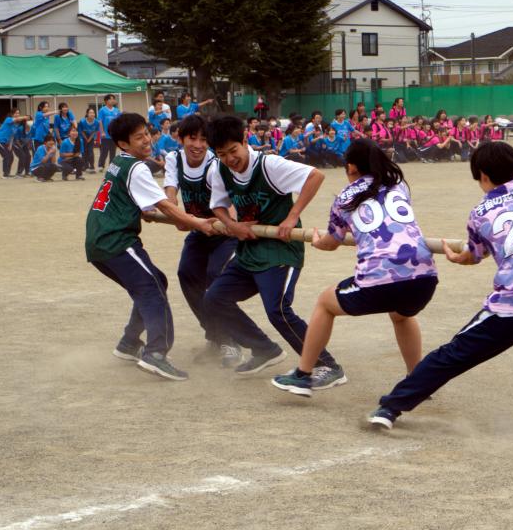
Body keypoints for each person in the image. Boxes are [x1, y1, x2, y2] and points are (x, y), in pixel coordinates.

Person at [368, 141, 513, 430]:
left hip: (511, 307)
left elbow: (474, 256)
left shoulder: (480, 212)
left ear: (484, 176)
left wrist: (456, 257)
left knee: (451, 355)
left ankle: (390, 408)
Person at [272, 140, 439, 397]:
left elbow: (331, 242)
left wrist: (317, 241)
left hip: (379, 279)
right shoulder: (398, 185)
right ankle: (418, 382)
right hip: (424, 277)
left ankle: (303, 375)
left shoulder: (345, 197)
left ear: (351, 167)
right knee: (401, 314)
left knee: (325, 303)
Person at [202, 115, 343, 382]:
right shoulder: (218, 169)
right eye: (222, 154)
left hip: (280, 248)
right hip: (250, 249)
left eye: (233, 151)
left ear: (245, 140)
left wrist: (292, 216)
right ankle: (264, 349)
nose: (230, 159)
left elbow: (315, 176)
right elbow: (217, 206)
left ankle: (328, 366)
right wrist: (232, 225)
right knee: (214, 299)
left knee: (277, 310)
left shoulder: (269, 165)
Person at [86, 112, 217, 380]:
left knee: (155, 281)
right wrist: (198, 223)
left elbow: (144, 203)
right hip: (117, 241)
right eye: (139, 137)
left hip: (100, 243)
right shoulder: (136, 167)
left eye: (147, 133)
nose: (147, 140)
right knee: (153, 291)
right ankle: (156, 353)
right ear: (123, 144)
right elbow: (166, 205)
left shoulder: (120, 162)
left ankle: (129, 343)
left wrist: (149, 210)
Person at [163, 114, 241, 367]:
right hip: (199, 230)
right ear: (181, 138)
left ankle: (230, 339)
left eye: (203, 140)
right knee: (186, 275)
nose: (197, 145)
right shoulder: (174, 158)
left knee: (213, 278)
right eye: (191, 138)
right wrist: (174, 211)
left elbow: (226, 203)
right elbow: (171, 189)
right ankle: (216, 336)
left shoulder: (214, 164)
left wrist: (231, 223)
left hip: (222, 233)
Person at [0, 108, 29, 178]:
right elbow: (16, 119)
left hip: (5, 143)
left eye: (18, 113)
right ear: (12, 114)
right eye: (16, 113)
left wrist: (10, 145)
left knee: (11, 156)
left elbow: (11, 136)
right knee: (6, 155)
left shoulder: (15, 126)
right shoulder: (8, 119)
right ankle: (5, 174)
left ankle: (8, 173)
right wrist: (24, 117)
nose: (17, 114)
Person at [97, 94, 121, 168]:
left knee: (113, 151)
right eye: (111, 99)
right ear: (106, 101)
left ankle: (111, 165)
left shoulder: (117, 110)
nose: (113, 100)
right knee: (104, 151)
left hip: (113, 135)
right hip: (105, 135)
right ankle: (101, 165)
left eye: (113, 99)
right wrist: (102, 132)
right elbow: (100, 121)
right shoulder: (102, 110)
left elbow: (119, 121)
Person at [78, 105, 101, 172]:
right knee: (84, 152)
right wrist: (86, 139)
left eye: (93, 113)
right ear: (87, 114)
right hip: (83, 137)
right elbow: (81, 131)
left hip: (91, 137)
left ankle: (92, 166)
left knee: (90, 152)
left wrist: (90, 139)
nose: (92, 114)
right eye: (90, 113)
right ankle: (85, 166)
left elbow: (95, 132)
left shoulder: (96, 122)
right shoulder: (82, 122)